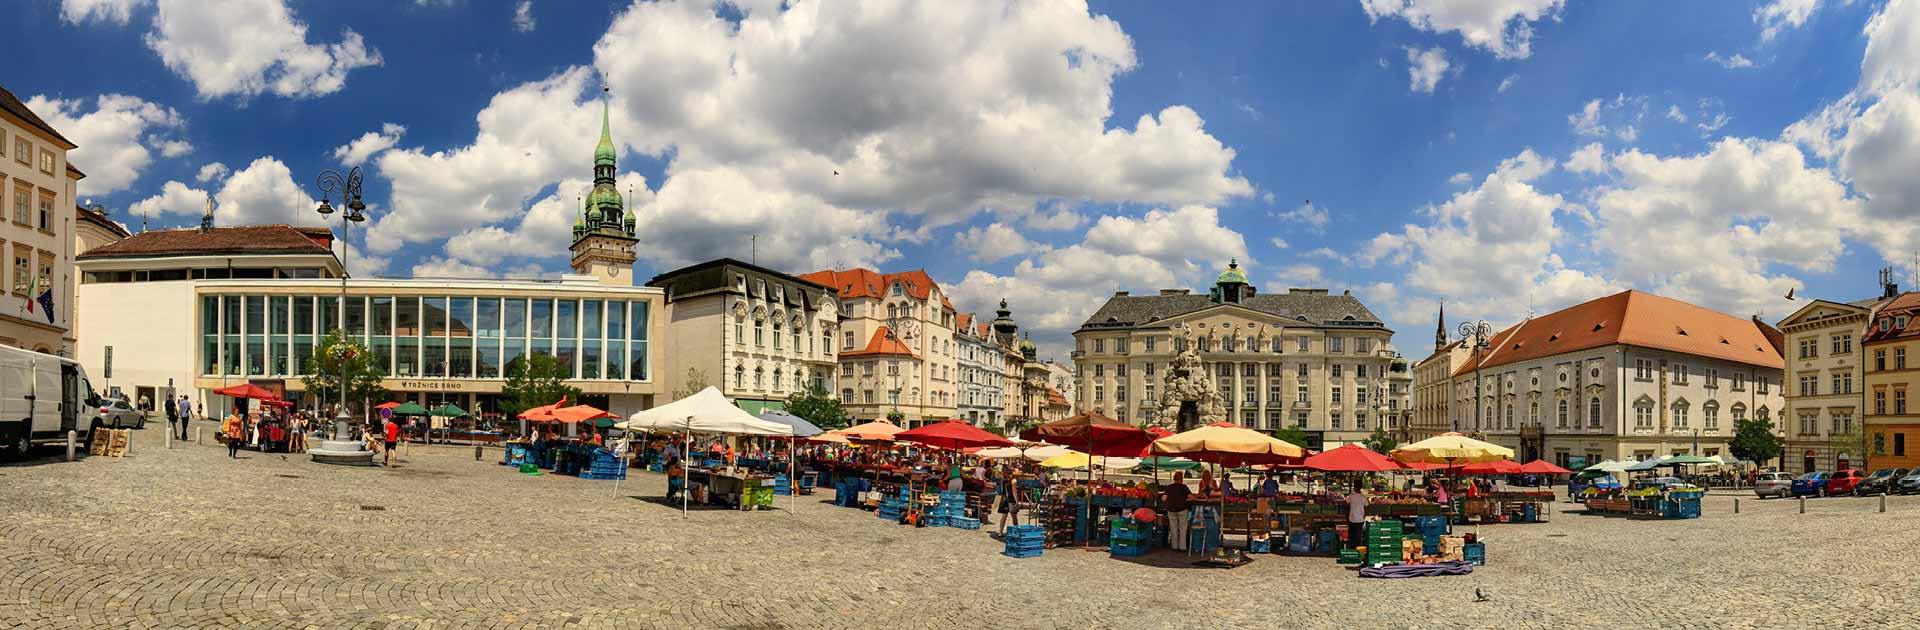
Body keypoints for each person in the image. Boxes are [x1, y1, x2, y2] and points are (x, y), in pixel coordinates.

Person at [1161, 471, 1193, 551]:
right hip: (1182, 509)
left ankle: (1174, 546)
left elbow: (1163, 498)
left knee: (1173, 528)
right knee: (1183, 528)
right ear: (1181, 479)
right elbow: (1191, 497)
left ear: (1174, 479)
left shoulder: (1169, 487)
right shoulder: (1184, 487)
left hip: (1171, 510)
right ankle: (1182, 547)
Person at [1345, 483, 1370, 549]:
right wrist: (1364, 516)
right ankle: (1358, 550)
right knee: (1358, 536)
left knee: (1352, 536)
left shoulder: (1351, 496)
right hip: (1360, 519)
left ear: (1355, 488)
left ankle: (1352, 549)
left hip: (1352, 519)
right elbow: (1367, 507)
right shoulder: (1363, 497)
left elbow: (1346, 504)